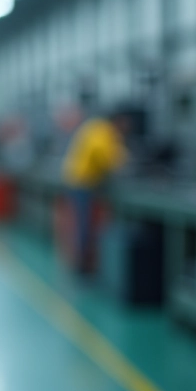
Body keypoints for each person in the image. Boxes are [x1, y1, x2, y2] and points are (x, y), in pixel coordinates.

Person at [61, 111, 129, 273]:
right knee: (83, 223)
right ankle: (82, 265)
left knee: (83, 221)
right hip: (81, 182)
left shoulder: (98, 128)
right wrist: (123, 165)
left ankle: (84, 261)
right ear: (118, 121)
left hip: (80, 180)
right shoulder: (103, 131)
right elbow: (105, 156)